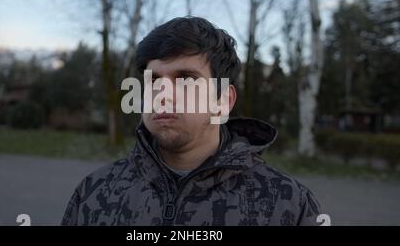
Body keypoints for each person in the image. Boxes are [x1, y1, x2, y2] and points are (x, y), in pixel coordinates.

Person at [62, 17, 322, 226]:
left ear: (223, 100)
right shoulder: (94, 193)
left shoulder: (287, 205)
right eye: (154, 80)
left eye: (185, 79)